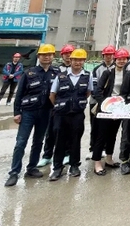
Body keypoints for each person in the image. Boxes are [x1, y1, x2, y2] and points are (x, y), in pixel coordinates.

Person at [4, 44, 60, 187]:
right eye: (43, 55)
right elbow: (19, 94)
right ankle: (14, 173)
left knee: (38, 141)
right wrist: (17, 113)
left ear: (53, 56)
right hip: (28, 112)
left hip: (45, 112)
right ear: (39, 56)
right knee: (21, 142)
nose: (46, 57)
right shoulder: (29, 73)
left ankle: (31, 168)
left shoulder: (57, 73)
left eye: (49, 55)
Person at [48, 48, 93, 181]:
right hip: (61, 114)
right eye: (75, 60)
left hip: (77, 114)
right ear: (71, 60)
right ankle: (57, 168)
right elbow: (52, 95)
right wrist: (61, 106)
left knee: (75, 140)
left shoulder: (88, 76)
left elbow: (88, 92)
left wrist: (76, 104)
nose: (78, 62)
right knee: (59, 140)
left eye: (81, 60)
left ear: (84, 61)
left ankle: (74, 166)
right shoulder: (61, 76)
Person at [91, 48, 130, 176]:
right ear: (115, 59)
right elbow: (98, 90)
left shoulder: (128, 74)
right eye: (119, 59)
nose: (121, 61)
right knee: (101, 136)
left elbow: (127, 92)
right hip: (105, 109)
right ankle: (97, 163)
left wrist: (120, 107)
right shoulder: (107, 73)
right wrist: (106, 105)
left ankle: (109, 158)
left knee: (113, 135)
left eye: (124, 59)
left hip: (118, 109)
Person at [87, 45, 115, 160]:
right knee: (95, 126)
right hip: (96, 102)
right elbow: (93, 85)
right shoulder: (97, 69)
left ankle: (105, 148)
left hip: (111, 103)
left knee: (108, 128)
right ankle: (92, 148)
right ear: (103, 56)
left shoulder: (117, 68)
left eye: (110, 55)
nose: (108, 57)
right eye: (106, 55)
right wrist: (100, 99)